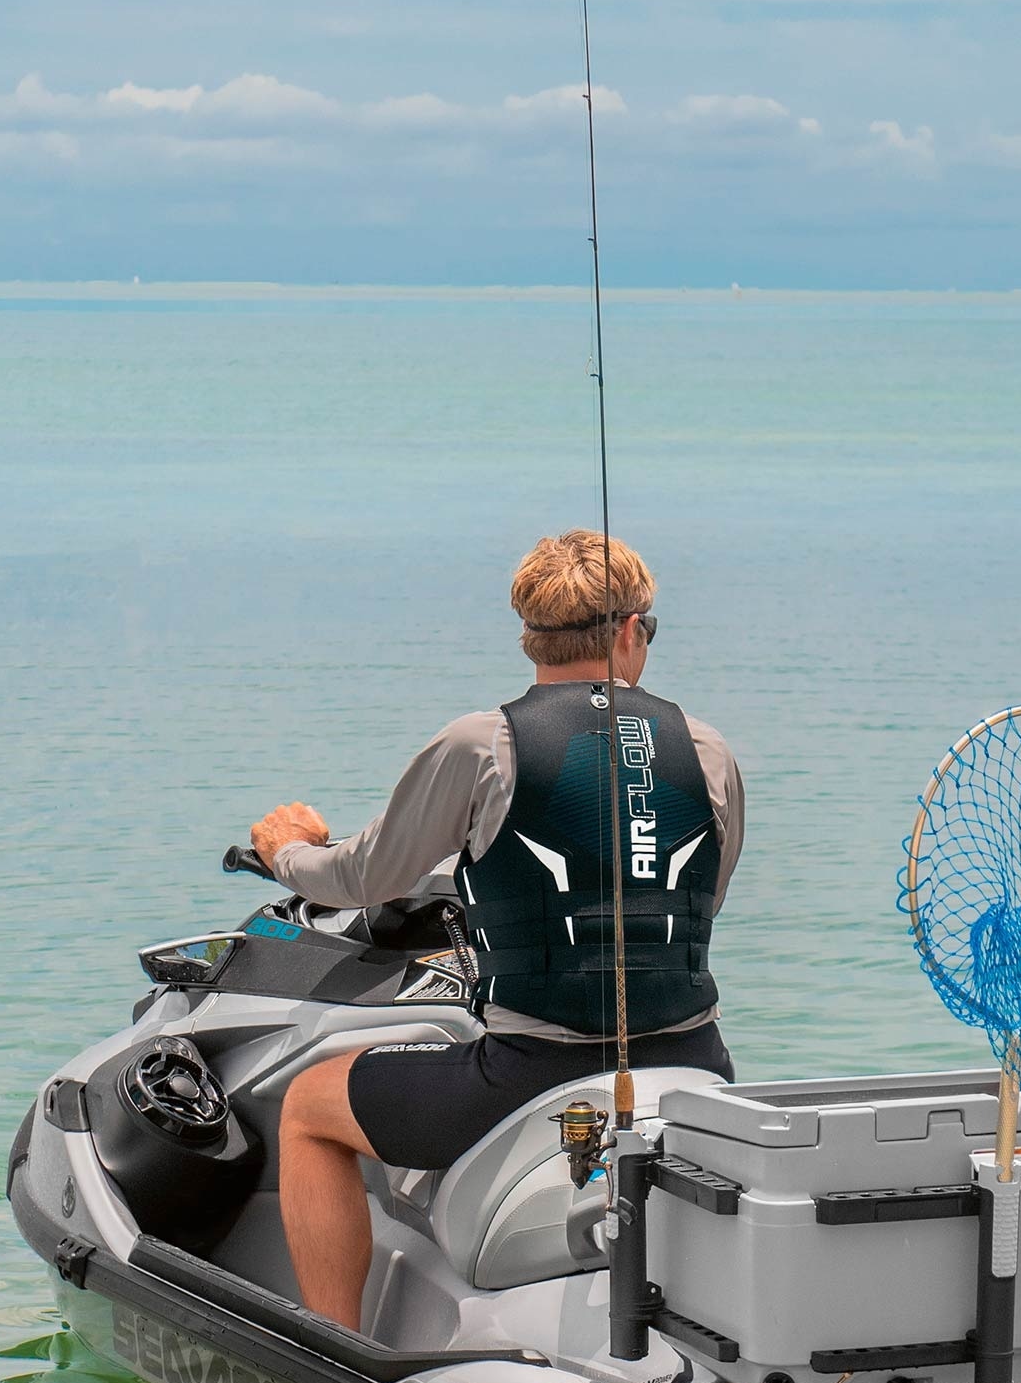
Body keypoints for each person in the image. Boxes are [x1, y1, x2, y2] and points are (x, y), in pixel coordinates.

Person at [250, 531, 748, 1330]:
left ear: (530, 638)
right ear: (630, 632)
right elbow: (698, 904)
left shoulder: (482, 745)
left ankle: (338, 1346)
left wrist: (289, 853)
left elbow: (361, 878)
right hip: (696, 1062)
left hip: (529, 1075)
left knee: (309, 1105)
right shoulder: (707, 749)